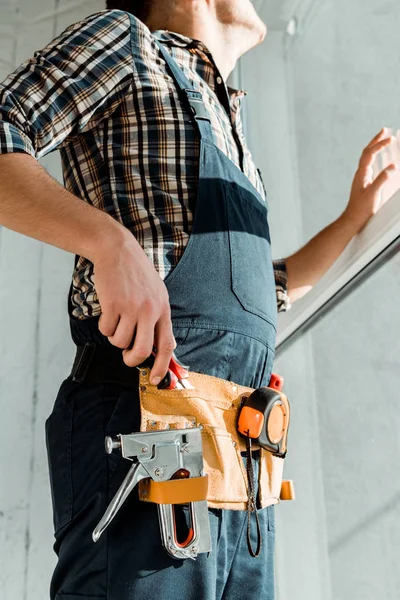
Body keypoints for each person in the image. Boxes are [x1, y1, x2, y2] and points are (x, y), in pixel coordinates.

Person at [0, 1, 395, 598]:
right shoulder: (130, 45)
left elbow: (264, 292)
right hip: (149, 441)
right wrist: (108, 243)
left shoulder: (231, 123)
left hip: (242, 470)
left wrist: (353, 220)